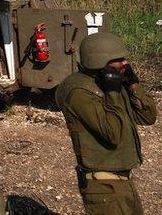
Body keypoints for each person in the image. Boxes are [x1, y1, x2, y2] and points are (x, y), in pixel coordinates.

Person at [55, 32, 157, 214]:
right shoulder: (78, 91)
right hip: (104, 185)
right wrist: (113, 92)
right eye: (119, 59)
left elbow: (148, 117)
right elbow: (113, 133)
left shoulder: (109, 82)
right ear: (100, 61)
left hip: (122, 182)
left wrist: (133, 86)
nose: (126, 62)